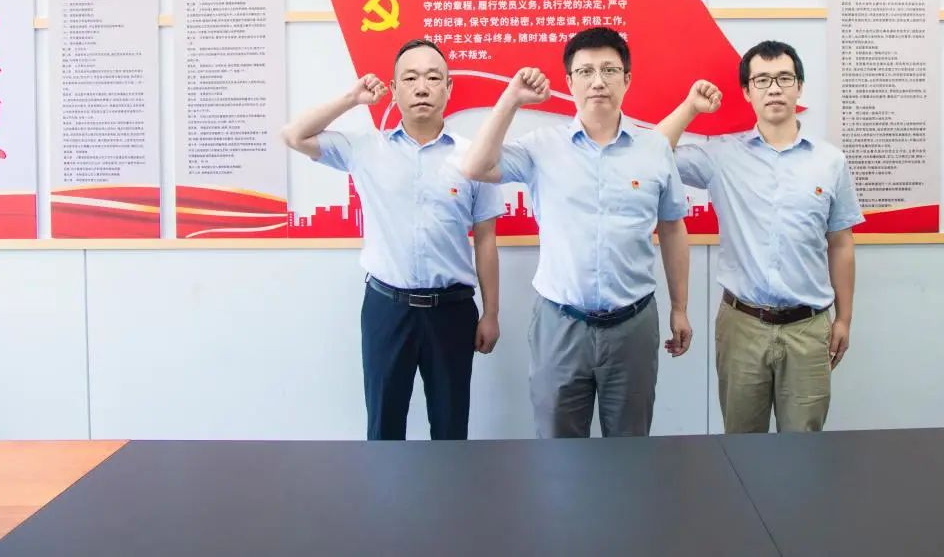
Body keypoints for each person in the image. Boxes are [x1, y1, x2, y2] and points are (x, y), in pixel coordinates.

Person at [458, 26, 692, 438]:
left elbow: (673, 227)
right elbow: (475, 166)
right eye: (585, 72)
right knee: (558, 448)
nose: (598, 81)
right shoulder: (541, 147)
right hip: (560, 324)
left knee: (631, 446)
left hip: (633, 325)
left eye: (609, 70)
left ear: (627, 79)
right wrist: (511, 99)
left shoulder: (654, 149)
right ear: (569, 82)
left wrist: (679, 307)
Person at [281, 38, 504, 440]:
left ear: (448, 88)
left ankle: (448, 486)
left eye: (433, 78)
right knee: (384, 427)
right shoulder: (366, 148)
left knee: (451, 429)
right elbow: (294, 135)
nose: (422, 88)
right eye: (411, 78)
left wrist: (491, 313)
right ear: (395, 88)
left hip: (452, 311)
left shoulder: (473, 158)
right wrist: (352, 98)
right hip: (387, 308)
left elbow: (486, 239)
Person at [656, 40, 861, 433]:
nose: (774, 88)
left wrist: (845, 319)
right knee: (742, 444)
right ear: (747, 92)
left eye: (784, 78)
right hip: (742, 325)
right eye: (762, 80)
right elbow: (653, 153)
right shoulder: (722, 155)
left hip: (809, 328)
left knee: (804, 446)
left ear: (799, 87)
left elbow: (841, 243)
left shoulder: (830, 161)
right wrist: (690, 108)